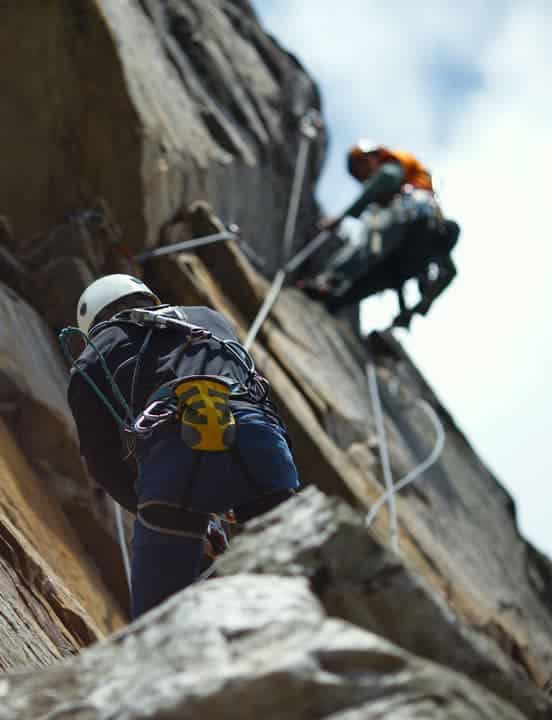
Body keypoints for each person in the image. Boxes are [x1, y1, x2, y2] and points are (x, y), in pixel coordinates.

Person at [66, 274, 299, 617]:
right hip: (259, 437)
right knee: (292, 571)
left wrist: (147, 505)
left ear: (94, 323)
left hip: (177, 450)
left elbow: (103, 464)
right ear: (147, 296)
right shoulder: (210, 318)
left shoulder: (94, 356)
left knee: (159, 613)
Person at [301, 141, 459, 328]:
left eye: (360, 168)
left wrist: (341, 218)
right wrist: (422, 306)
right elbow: (449, 272)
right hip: (413, 253)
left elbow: (381, 183)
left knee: (373, 240)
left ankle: (329, 280)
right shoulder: (429, 216)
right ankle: (337, 301)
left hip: (409, 218)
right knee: (379, 275)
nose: (363, 178)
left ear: (371, 156)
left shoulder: (392, 166)